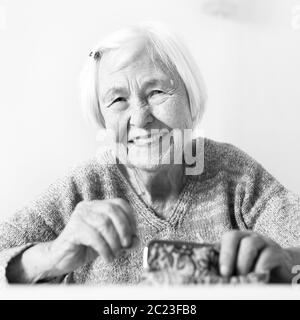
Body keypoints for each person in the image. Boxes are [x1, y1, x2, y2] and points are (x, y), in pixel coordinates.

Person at [0, 22, 299, 285]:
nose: (141, 118)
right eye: (118, 100)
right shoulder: (84, 189)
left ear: (190, 101)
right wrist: (50, 257)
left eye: (156, 92)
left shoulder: (233, 175)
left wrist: (287, 262)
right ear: (103, 120)